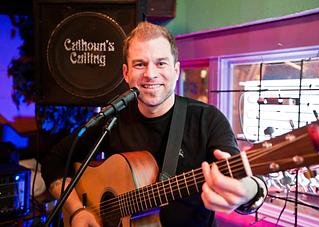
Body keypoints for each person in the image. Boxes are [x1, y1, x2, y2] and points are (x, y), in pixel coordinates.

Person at [41, 21, 267, 227]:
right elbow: (55, 160)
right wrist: (77, 210)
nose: (150, 74)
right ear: (126, 73)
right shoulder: (113, 118)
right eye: (140, 64)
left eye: (161, 63)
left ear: (176, 71)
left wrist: (249, 190)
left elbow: (241, 179)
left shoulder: (207, 120)